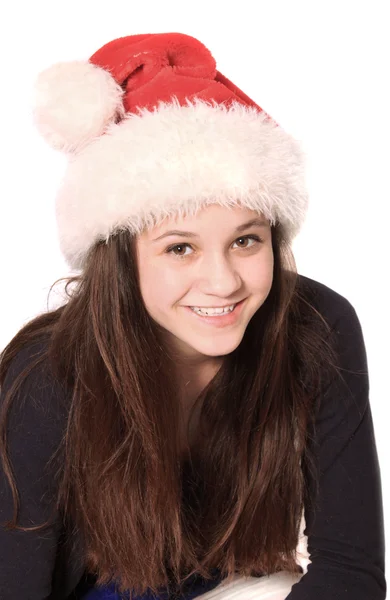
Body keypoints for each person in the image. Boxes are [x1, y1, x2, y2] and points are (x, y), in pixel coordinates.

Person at [0, 32, 386, 600]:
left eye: (246, 241)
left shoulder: (316, 328)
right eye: (179, 248)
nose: (223, 281)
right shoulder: (50, 377)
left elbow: (351, 571)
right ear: (121, 261)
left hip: (222, 582)